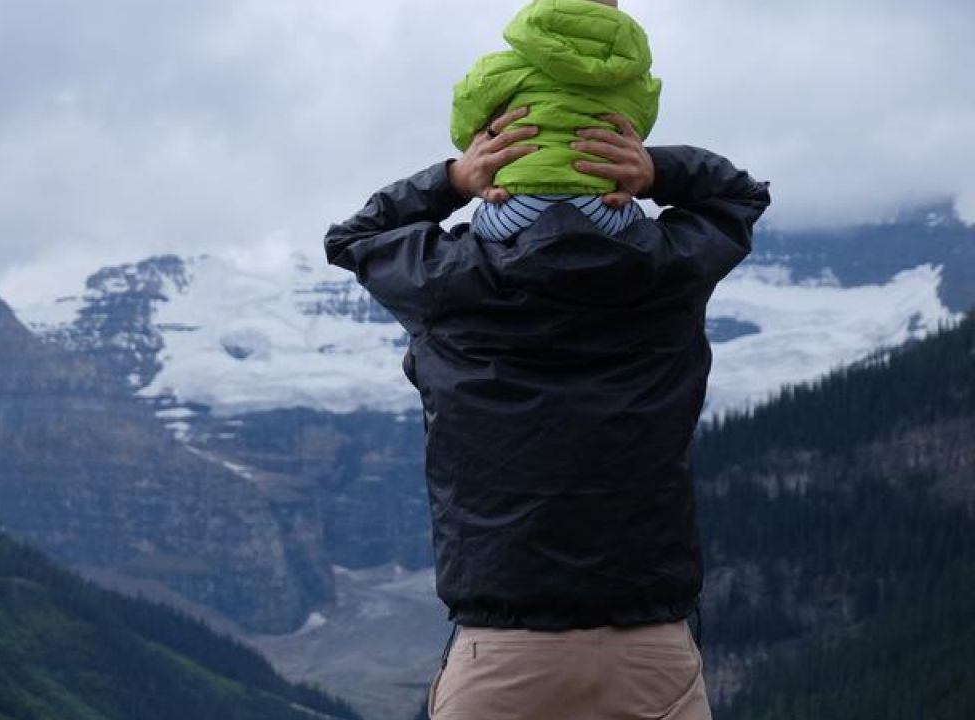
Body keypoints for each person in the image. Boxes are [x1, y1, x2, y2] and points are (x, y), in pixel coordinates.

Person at [323, 102, 771, 718]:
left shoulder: (446, 283)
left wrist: (453, 180)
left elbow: (352, 238)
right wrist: (657, 172)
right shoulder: (667, 272)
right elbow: (738, 197)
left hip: (503, 656)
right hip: (651, 653)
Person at [452, 0, 661, 242]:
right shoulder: (637, 81)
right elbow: (639, 130)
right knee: (639, 223)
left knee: (477, 231)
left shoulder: (497, 68)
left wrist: (458, 176)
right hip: (603, 208)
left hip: (514, 207)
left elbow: (462, 132)